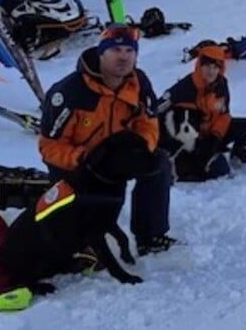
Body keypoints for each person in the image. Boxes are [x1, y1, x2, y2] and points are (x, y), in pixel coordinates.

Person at [37, 24, 177, 256]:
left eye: (129, 51)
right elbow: (49, 145)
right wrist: (82, 159)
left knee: (158, 162)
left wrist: (140, 149)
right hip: (80, 165)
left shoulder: (139, 83)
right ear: (101, 54)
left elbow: (148, 123)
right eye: (115, 50)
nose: (123, 57)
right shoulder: (70, 92)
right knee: (72, 234)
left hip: (116, 161)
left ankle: (150, 236)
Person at [156, 44, 246, 182]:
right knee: (220, 170)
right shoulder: (185, 87)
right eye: (207, 66)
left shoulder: (221, 85)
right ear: (200, 65)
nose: (211, 71)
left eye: (215, 67)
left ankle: (237, 160)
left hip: (211, 135)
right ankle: (181, 167)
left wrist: (215, 137)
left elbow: (224, 115)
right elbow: (157, 110)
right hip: (189, 142)